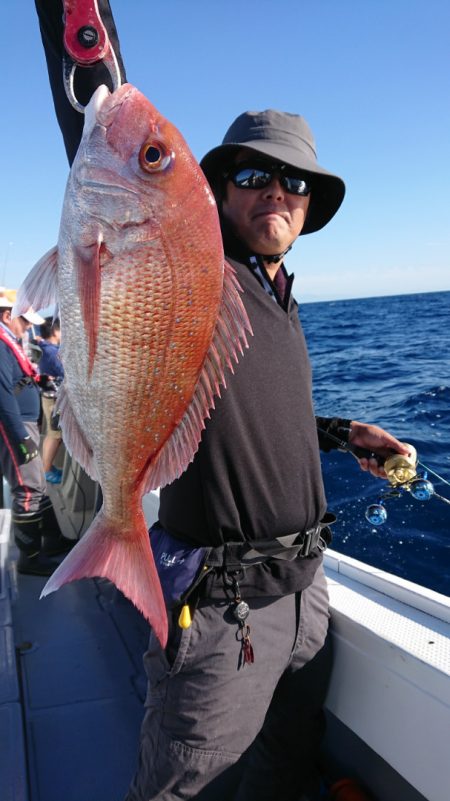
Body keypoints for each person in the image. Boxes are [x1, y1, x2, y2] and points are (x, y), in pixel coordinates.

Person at [35, 2, 411, 799]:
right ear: (218, 188)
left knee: (286, 762)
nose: (278, 191)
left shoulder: (279, 297)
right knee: (184, 784)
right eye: (253, 174)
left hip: (309, 596)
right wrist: (80, 31)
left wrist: (345, 435)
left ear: (309, 204)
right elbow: (104, 129)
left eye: (295, 181)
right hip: (225, 614)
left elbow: (252, 415)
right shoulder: (202, 273)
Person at [0, 296, 74, 576]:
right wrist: (20, 439)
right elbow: (2, 397)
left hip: (26, 422)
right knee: (28, 488)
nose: (27, 329)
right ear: (7, 316)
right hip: (15, 426)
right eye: (24, 322)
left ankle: (54, 541)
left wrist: (38, 381)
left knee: (38, 482)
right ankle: (30, 558)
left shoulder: (10, 343)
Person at [36, 316, 64, 484]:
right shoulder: (53, 352)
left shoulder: (45, 348)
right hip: (54, 400)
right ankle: (46, 470)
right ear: (55, 331)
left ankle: (46, 466)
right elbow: (64, 372)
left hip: (48, 397)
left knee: (51, 434)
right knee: (55, 435)